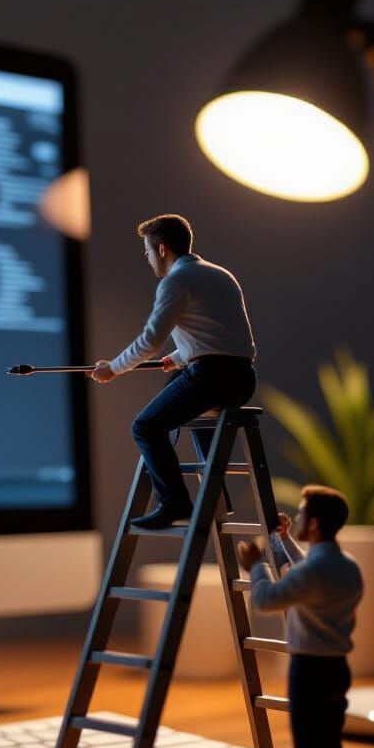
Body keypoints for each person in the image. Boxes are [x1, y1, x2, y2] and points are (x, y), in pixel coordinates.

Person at [89, 214, 257, 529]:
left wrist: (112, 369)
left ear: (163, 249)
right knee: (176, 383)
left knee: (146, 427)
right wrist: (179, 358)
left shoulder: (175, 282)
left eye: (148, 251)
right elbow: (226, 340)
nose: (147, 258)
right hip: (242, 379)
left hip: (210, 379)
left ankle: (174, 502)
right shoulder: (221, 275)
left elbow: (149, 342)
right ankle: (215, 494)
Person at [237, 485, 363, 748]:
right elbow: (305, 569)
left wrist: (257, 564)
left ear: (317, 524)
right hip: (336, 667)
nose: (299, 518)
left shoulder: (315, 572)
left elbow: (265, 599)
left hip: (309, 670)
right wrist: (283, 540)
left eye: (304, 514)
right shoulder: (345, 565)